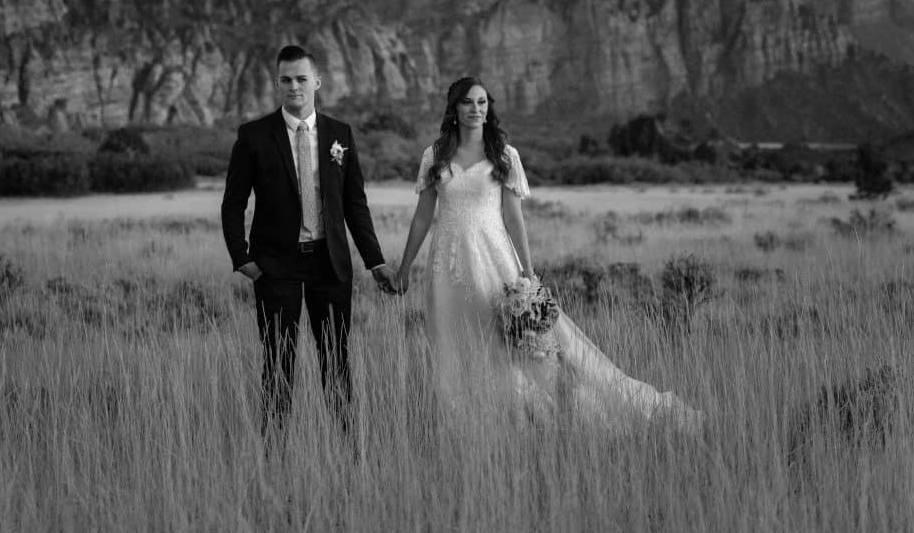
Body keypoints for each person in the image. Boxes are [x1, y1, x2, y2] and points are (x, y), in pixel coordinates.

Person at [394, 77, 701, 430]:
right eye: (467, 102)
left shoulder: (504, 155)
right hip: (445, 268)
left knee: (508, 348)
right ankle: (464, 427)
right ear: (453, 109)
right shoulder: (435, 156)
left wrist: (528, 274)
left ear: (489, 107)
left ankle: (527, 422)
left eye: (482, 102)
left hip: (493, 264)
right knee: (453, 346)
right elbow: (421, 218)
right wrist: (404, 270)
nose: (475, 109)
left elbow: (513, 217)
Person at [221, 44, 399, 432]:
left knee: (336, 361)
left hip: (329, 264)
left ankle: (349, 451)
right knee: (277, 362)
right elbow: (232, 203)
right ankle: (275, 453)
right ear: (276, 83)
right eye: (286, 79)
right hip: (275, 267)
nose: (294, 86)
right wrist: (243, 259)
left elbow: (356, 205)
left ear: (317, 81)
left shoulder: (340, 134)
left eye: (302, 78)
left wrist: (375, 261)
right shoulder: (254, 136)